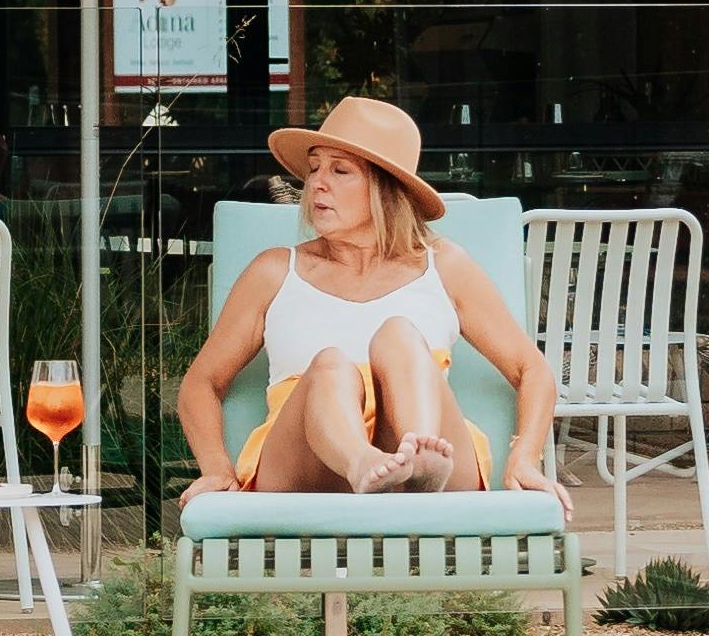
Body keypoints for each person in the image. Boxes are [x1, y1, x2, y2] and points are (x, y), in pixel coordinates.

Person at [171, 96, 552, 508]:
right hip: (308, 461)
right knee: (330, 365)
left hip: (428, 448)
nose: (317, 183)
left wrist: (525, 458)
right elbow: (201, 383)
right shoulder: (274, 271)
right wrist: (216, 469)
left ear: (386, 190)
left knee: (400, 336)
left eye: (341, 171)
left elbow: (531, 368)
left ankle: (419, 459)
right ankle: (361, 464)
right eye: (315, 167)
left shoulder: (445, 265)